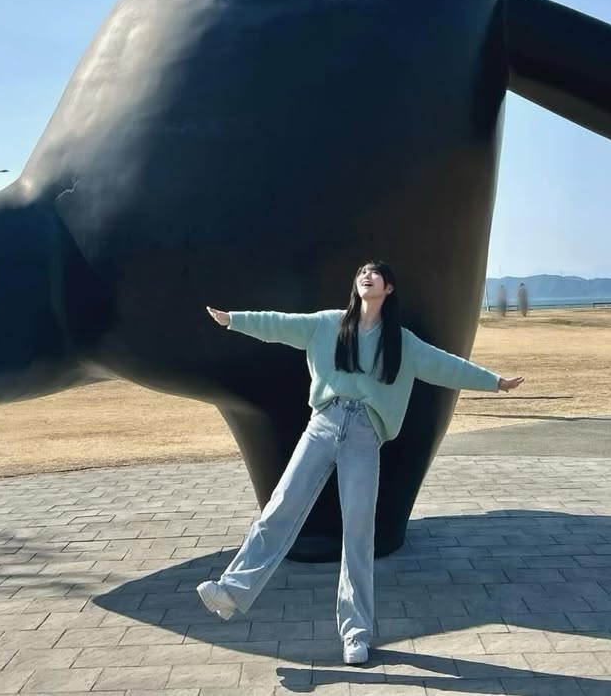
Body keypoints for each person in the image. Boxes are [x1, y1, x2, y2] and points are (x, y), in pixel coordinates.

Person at [198, 261, 524, 667]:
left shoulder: (401, 342)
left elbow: (446, 366)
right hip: (322, 425)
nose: (366, 276)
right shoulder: (327, 324)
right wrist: (234, 320)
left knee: (358, 533)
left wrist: (494, 382)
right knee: (280, 507)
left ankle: (356, 634)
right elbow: (279, 325)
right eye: (361, 273)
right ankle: (231, 591)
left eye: (375, 273)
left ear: (389, 288)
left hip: (364, 436)